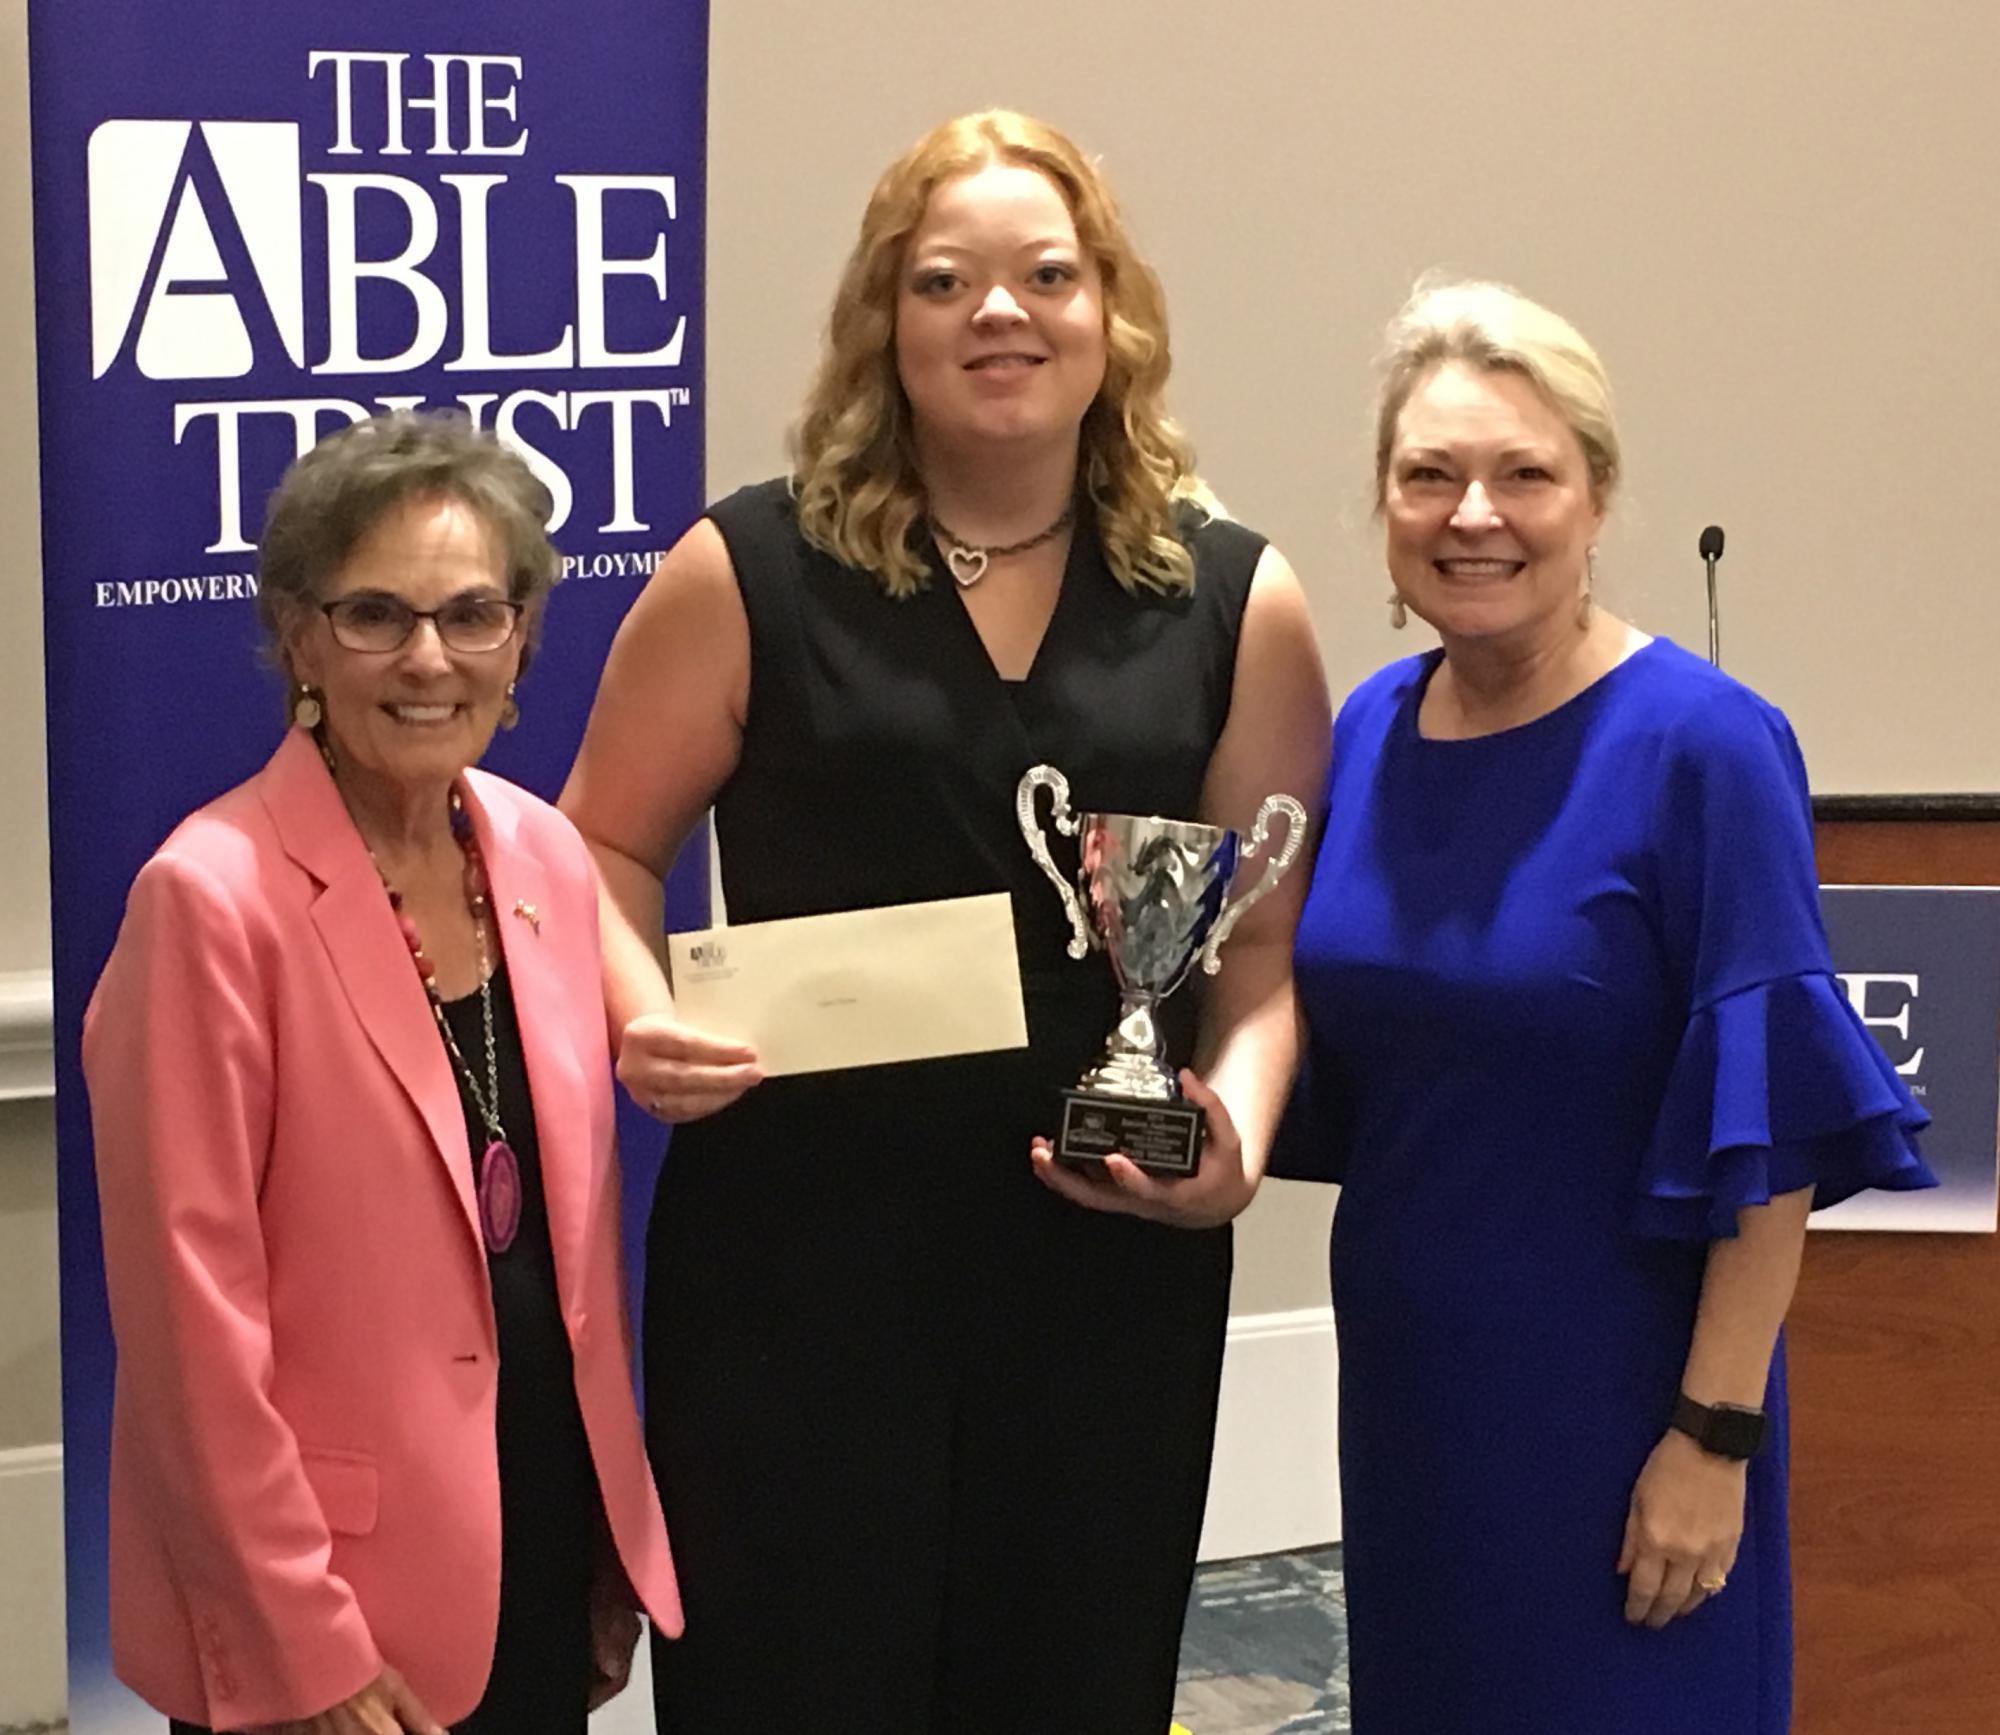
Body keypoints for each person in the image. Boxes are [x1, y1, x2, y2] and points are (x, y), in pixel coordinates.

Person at [559, 109, 1330, 1731]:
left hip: (1101, 1275)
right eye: (946, 279)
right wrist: (634, 1012)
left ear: (1110, 317)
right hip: (796, 1271)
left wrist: (1235, 1144)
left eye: (1048, 274)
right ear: (882, 327)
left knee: (1069, 1683)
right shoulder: (744, 568)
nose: (1001, 311)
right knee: (789, 1686)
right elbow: (602, 852)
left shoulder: (1235, 599)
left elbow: (1256, 950)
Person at [1284, 277, 1935, 1733]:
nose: (1475, 514)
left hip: (1628, 1405)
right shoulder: (1368, 733)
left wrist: (1714, 1437)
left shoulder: (1705, 747)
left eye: (1525, 473)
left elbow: (1773, 1150)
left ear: (1595, 499)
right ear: (1384, 509)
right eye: (1430, 474)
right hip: (1414, 1398)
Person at [83, 412, 680, 1735]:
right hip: (328, 1597)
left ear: (520, 637)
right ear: (301, 638)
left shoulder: (536, 854)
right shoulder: (210, 900)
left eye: (473, 613)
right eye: (376, 615)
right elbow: (192, 1339)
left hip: (528, 1535)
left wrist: (594, 1546)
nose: (429, 658)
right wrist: (303, 1640)